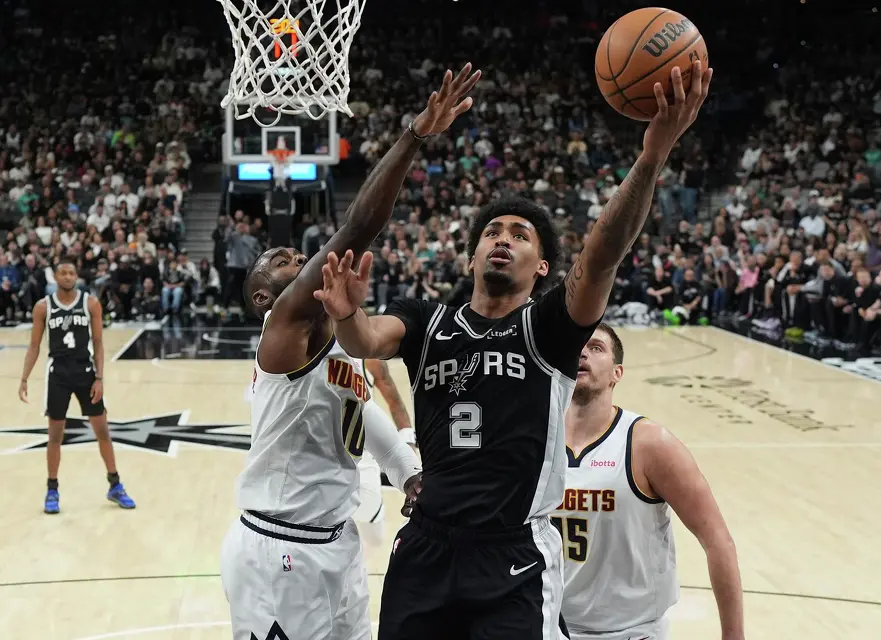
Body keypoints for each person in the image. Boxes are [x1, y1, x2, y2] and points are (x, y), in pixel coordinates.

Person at [316, 62, 713, 640]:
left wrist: (651, 158)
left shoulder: (550, 328)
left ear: (544, 267)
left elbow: (602, 253)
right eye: (493, 231)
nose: (504, 237)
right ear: (472, 257)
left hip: (513, 554)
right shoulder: (429, 321)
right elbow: (364, 341)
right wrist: (347, 312)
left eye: (521, 234)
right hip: (426, 544)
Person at [219, 64, 480, 640]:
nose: (298, 256)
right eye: (283, 260)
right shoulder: (283, 331)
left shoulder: (333, 341)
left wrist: (408, 472)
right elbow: (360, 226)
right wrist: (414, 135)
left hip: (336, 546)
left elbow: (362, 411)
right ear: (266, 296)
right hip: (277, 553)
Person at [557, 324, 743, 640]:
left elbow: (717, 539)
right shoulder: (537, 438)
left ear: (617, 373)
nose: (583, 352)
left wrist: (733, 636)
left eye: (597, 347)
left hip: (630, 632)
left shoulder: (650, 443)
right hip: (548, 626)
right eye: (576, 345)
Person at [17, 261, 136, 514]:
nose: (68, 276)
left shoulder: (91, 303)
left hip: (86, 373)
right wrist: (24, 378)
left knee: (102, 430)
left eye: (72, 273)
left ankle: (115, 485)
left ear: (77, 277)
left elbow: (100, 343)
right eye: (63, 272)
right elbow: (35, 346)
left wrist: (100, 378)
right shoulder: (43, 307)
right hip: (58, 374)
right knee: (55, 436)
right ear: (56, 276)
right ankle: (52, 489)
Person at [356, 358, 417, 544]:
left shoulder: (368, 359)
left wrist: (408, 441)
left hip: (364, 455)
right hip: (326, 457)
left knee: (375, 538)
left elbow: (394, 401)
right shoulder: (309, 351)